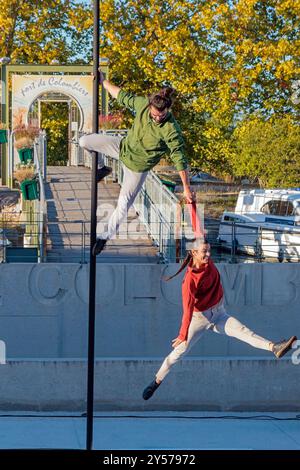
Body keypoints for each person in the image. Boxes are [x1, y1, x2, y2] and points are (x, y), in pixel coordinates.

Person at [142, 239, 297, 400]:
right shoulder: (189, 280)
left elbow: (196, 224)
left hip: (219, 313)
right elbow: (187, 309)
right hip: (199, 318)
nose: (208, 255)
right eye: (204, 252)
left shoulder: (205, 260)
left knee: (243, 332)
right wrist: (183, 334)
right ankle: (156, 381)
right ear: (194, 252)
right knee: (178, 353)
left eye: (209, 251)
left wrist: (193, 212)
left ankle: (274, 347)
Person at [79, 70, 194, 256]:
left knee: (123, 205)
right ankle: (102, 168)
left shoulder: (171, 129)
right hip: (123, 148)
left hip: (138, 168)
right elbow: (122, 96)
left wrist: (187, 188)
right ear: (150, 107)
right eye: (155, 115)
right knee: (84, 141)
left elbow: (179, 157)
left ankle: (104, 237)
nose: (158, 119)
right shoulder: (142, 105)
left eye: (162, 116)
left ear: (167, 111)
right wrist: (103, 82)